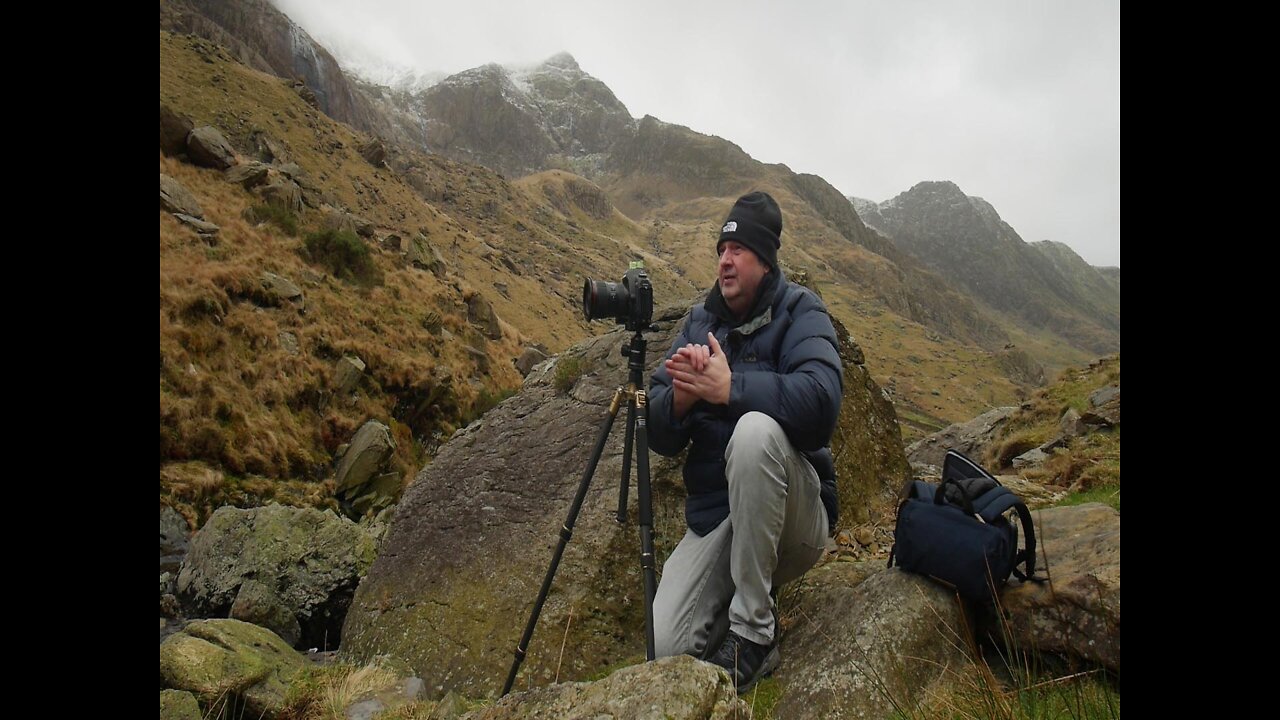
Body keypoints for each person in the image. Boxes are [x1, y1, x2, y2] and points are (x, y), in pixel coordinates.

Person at [647, 190, 843, 692]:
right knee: (666, 646)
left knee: (755, 432)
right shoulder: (698, 322)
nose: (725, 261)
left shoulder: (802, 311)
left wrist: (730, 389)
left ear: (764, 259)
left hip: (795, 519)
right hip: (721, 516)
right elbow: (658, 431)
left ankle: (753, 631)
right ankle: (744, 619)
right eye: (720, 250)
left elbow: (821, 405)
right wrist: (683, 401)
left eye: (737, 251)